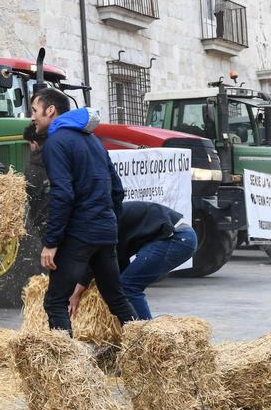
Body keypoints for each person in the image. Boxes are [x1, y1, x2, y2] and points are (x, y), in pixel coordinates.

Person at [30, 88, 138, 335]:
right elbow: (117, 191)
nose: (32, 118)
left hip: (80, 233)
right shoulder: (93, 141)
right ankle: (143, 354)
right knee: (117, 300)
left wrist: (52, 242)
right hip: (105, 232)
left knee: (55, 302)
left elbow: (63, 194)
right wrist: (109, 222)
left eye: (35, 111)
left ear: (50, 110)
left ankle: (67, 372)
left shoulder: (56, 143)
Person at [68, 200, 198, 320]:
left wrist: (76, 293)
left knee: (129, 286)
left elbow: (96, 260)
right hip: (178, 236)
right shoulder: (105, 220)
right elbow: (113, 264)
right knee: (124, 283)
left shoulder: (104, 222)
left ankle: (145, 336)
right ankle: (137, 331)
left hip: (176, 238)